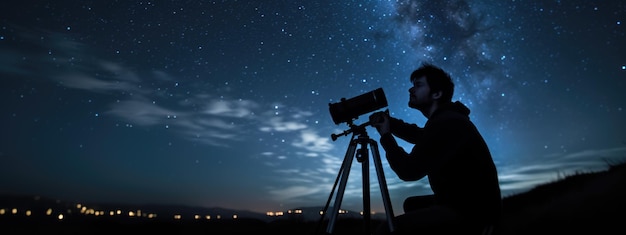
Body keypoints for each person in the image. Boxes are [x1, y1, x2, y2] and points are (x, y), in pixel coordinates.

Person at [369, 63, 502, 235]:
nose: (411, 90)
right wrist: (390, 123)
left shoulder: (447, 123)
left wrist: (386, 136)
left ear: (437, 93)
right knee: (412, 204)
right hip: (471, 203)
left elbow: (408, 171)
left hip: (470, 211)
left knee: (388, 229)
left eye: (418, 85)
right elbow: (422, 136)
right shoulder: (448, 120)